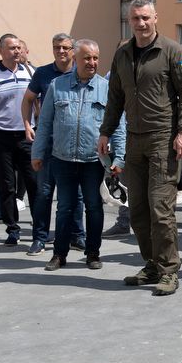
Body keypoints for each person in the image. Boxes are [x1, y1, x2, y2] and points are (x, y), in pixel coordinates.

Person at [98, 0, 182, 296]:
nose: (140, 23)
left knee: (160, 209)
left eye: (145, 18)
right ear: (130, 21)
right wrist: (105, 132)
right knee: (137, 209)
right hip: (134, 139)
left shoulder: (172, 51)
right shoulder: (122, 54)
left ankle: (169, 270)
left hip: (163, 138)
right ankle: (152, 264)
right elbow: (115, 97)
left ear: (155, 18)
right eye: (135, 18)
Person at [32, 39, 125, 272]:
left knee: (94, 207)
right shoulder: (57, 85)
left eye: (95, 58)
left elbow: (118, 127)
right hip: (62, 159)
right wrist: (38, 152)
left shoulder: (107, 88)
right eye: (87, 58)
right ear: (75, 59)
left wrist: (119, 158)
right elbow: (44, 123)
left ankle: (93, 253)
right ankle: (59, 254)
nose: (92, 62)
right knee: (64, 207)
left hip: (94, 161)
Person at [21, 33, 84, 257]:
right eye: (57, 47)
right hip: (47, 143)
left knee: (76, 194)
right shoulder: (43, 73)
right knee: (44, 193)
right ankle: (39, 238)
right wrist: (27, 125)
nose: (61, 51)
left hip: (74, 143)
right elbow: (28, 99)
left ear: (73, 50)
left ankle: (77, 236)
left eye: (65, 47)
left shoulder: (81, 71)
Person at [0, 34, 38, 247]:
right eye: (12, 48)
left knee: (34, 183)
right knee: (7, 185)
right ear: (1, 51)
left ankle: (39, 229)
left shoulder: (30, 72)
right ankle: (12, 229)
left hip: (28, 135)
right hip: (1, 135)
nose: (17, 51)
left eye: (19, 47)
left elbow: (38, 102)